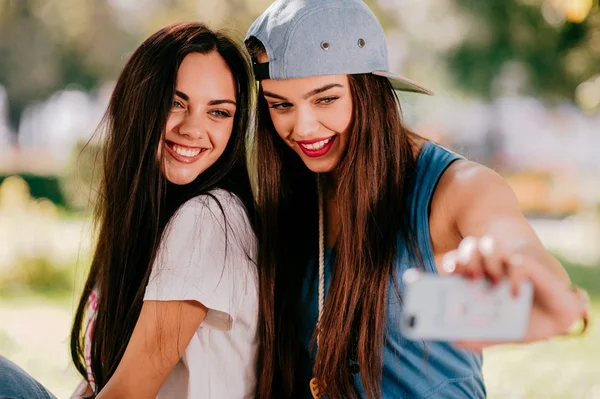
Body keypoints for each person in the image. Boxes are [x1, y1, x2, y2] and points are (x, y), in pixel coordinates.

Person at [244, 1, 589, 398]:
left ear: (369, 88)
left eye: (325, 99)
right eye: (280, 105)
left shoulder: (459, 186)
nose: (302, 128)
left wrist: (535, 288)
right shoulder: (295, 189)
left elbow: (515, 245)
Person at [0, 22, 258, 399]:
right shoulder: (155, 222)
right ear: (140, 102)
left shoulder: (207, 219)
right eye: (175, 102)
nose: (193, 128)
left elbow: (128, 394)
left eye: (218, 112)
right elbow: (100, 385)